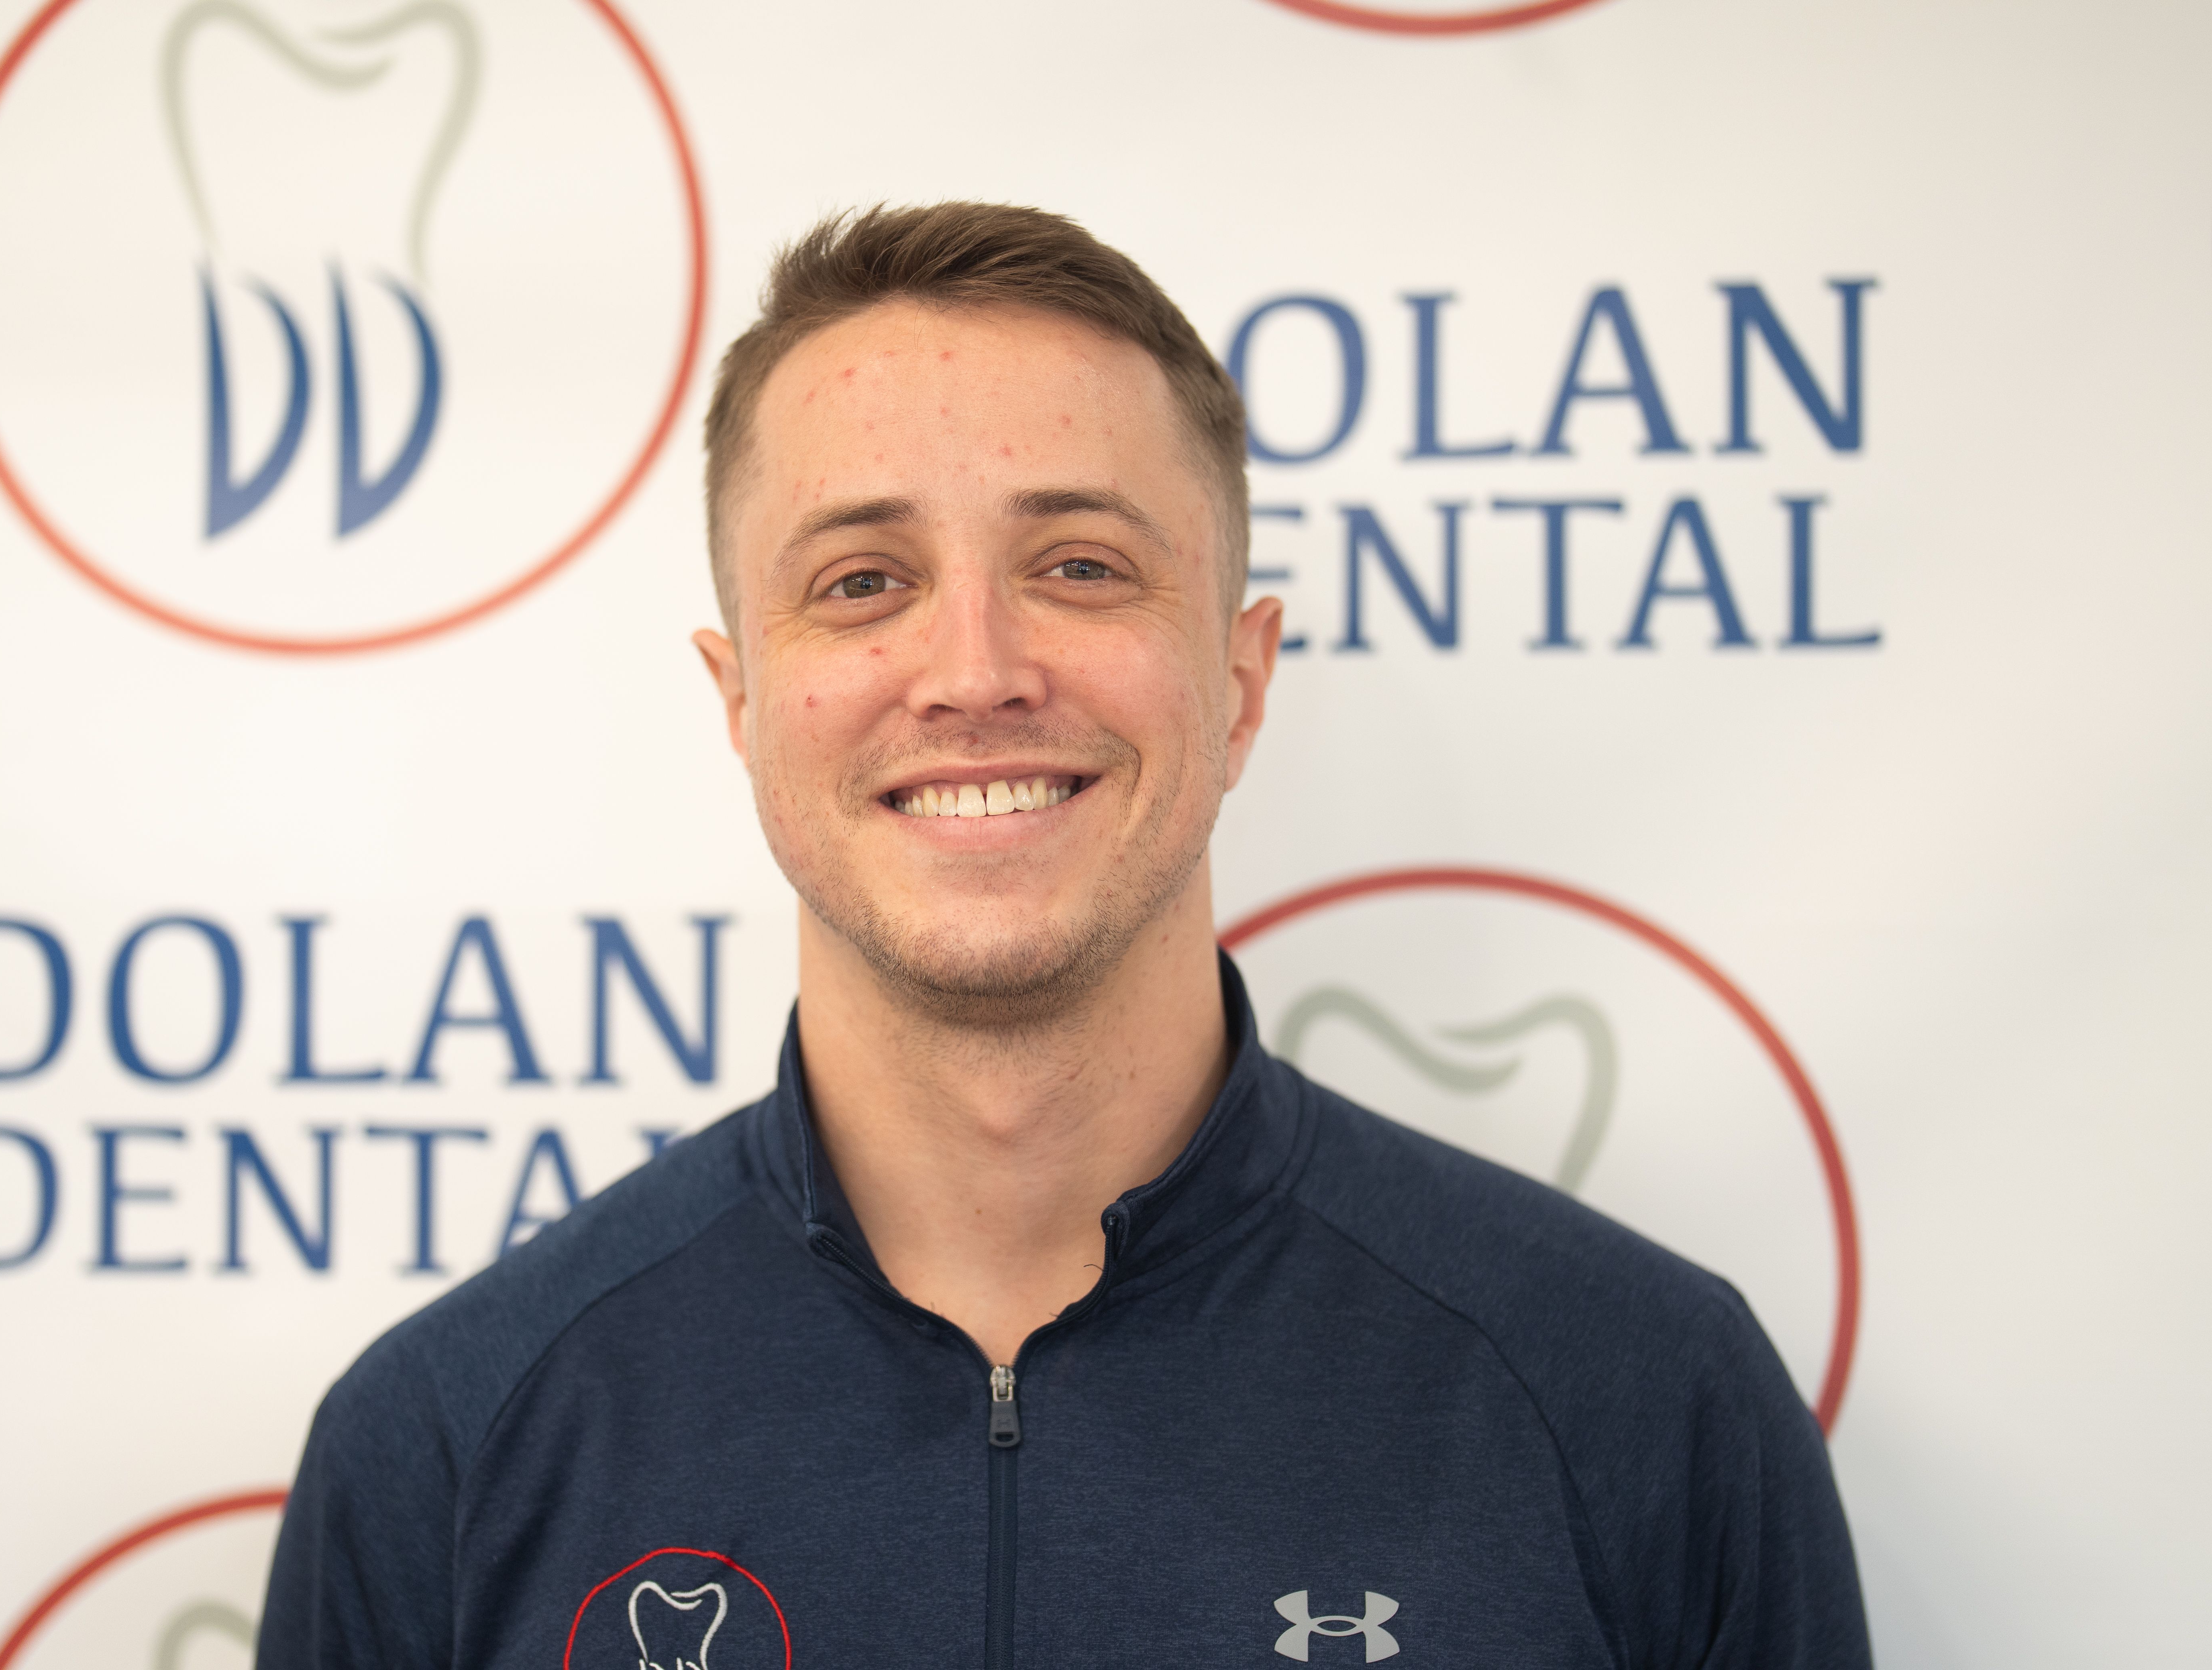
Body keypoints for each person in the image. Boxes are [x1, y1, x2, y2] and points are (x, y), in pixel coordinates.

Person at [258, 203, 1870, 1670]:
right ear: (741, 700)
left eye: (1082, 564)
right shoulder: (450, 1445)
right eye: (863, 579)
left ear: (1239, 682)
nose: (974, 670)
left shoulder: (1643, 1402)